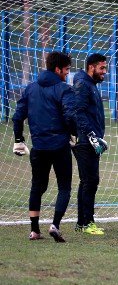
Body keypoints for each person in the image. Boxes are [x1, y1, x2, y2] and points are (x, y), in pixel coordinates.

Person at [12, 51, 77, 242]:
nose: (67, 73)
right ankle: (55, 225)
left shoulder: (31, 88)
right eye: (66, 70)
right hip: (59, 146)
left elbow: (17, 117)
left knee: (37, 186)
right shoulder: (64, 89)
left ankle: (34, 230)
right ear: (57, 69)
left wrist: (18, 139)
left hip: (38, 147)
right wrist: (73, 133)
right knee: (64, 187)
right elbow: (70, 116)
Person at [72, 53, 109, 235]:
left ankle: (83, 222)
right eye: (101, 68)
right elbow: (78, 112)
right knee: (90, 181)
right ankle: (87, 223)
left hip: (90, 140)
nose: (104, 72)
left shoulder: (90, 84)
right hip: (85, 141)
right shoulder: (83, 84)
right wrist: (92, 135)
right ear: (91, 67)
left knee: (87, 181)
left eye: (105, 68)